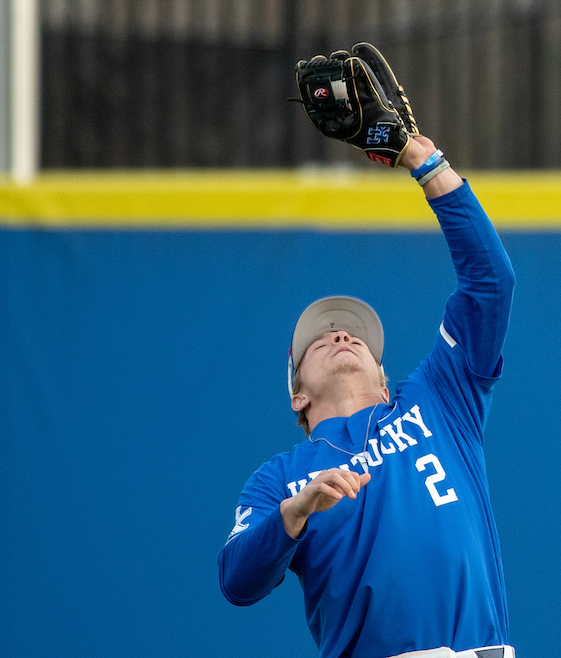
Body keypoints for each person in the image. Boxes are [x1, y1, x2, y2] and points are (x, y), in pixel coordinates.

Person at [217, 128, 516, 658]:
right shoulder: (282, 478)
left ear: (383, 379)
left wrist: (425, 162)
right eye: (318, 339)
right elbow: (237, 581)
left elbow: (490, 283)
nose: (340, 334)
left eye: (356, 334)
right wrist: (295, 512)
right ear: (297, 396)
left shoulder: (438, 399)